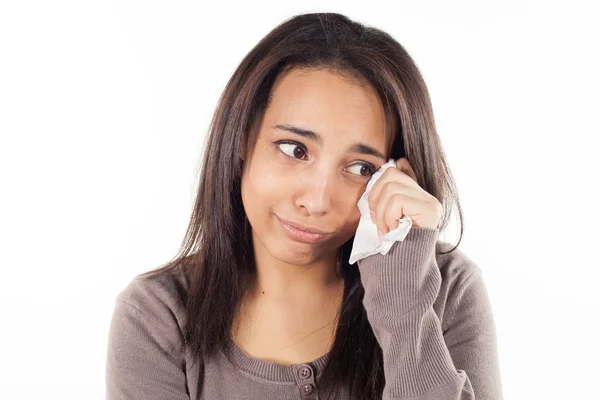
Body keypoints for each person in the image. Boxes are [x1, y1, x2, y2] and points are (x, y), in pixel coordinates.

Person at [105, 12, 503, 400]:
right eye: (295, 150)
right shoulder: (158, 317)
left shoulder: (446, 287)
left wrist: (404, 305)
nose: (316, 200)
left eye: (361, 167)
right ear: (243, 137)